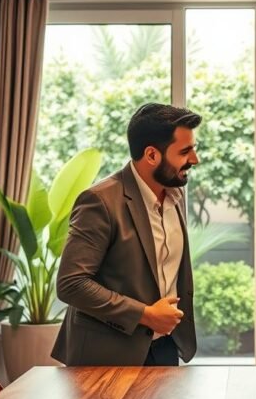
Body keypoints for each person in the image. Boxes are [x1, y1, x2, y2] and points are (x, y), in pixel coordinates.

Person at [51, 103, 201, 366]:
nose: (194, 160)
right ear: (152, 155)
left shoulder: (175, 196)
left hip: (165, 346)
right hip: (107, 355)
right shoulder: (100, 201)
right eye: (185, 151)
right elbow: (71, 284)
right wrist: (144, 314)